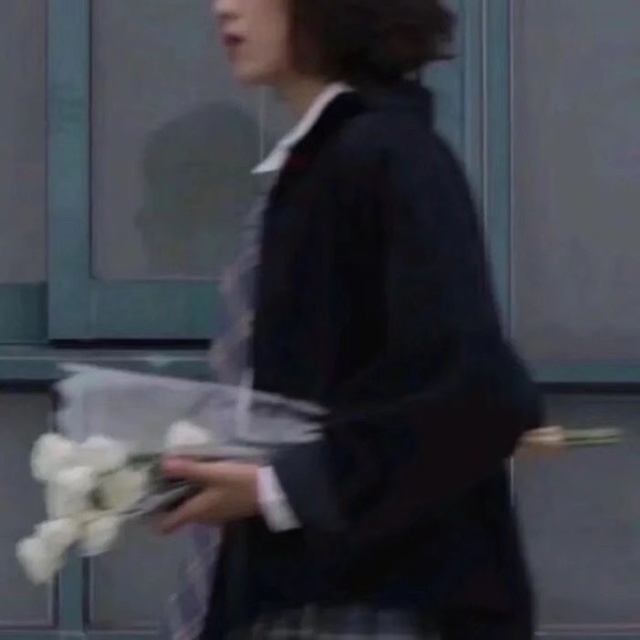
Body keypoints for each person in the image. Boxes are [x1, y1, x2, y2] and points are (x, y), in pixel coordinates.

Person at [158, 0, 544, 638]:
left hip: (368, 606)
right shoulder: (328, 161)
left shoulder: (386, 154)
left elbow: (478, 395)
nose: (223, 6)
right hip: (311, 594)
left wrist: (278, 488)